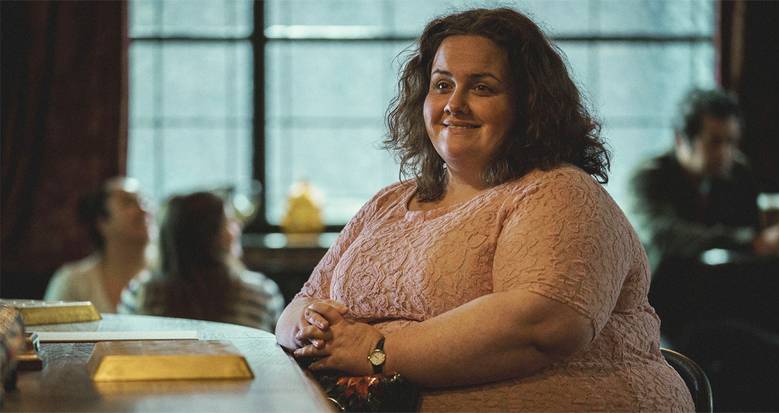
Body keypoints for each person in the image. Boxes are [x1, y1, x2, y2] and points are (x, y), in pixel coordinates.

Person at [275, 8, 693, 411]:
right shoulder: (387, 202)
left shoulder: (559, 192)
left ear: (528, 104)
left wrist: (376, 350)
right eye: (442, 85)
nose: (454, 104)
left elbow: (542, 325)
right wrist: (308, 328)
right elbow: (301, 303)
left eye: (482, 87)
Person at [629, 88, 779, 276]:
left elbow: (757, 228)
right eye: (715, 142)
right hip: (661, 289)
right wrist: (749, 241)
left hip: (723, 285)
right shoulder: (648, 177)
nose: (725, 153)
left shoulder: (737, 172)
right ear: (681, 139)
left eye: (731, 142)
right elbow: (664, 235)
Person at [119, 191, 284, 332]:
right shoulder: (261, 294)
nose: (238, 226)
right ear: (213, 237)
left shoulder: (139, 294)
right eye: (228, 221)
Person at [44, 177, 151, 313]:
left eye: (144, 201)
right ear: (102, 222)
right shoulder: (73, 282)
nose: (143, 210)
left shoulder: (169, 282)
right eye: (128, 202)